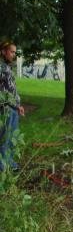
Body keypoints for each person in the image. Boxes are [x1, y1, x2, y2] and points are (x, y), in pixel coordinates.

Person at [0, 40, 24, 171]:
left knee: (11, 138)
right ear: (3, 51)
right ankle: (4, 167)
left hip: (13, 108)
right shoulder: (0, 67)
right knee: (6, 138)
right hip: (5, 109)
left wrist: (18, 105)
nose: (13, 54)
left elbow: (12, 89)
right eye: (11, 51)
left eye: (15, 52)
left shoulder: (7, 67)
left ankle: (9, 163)